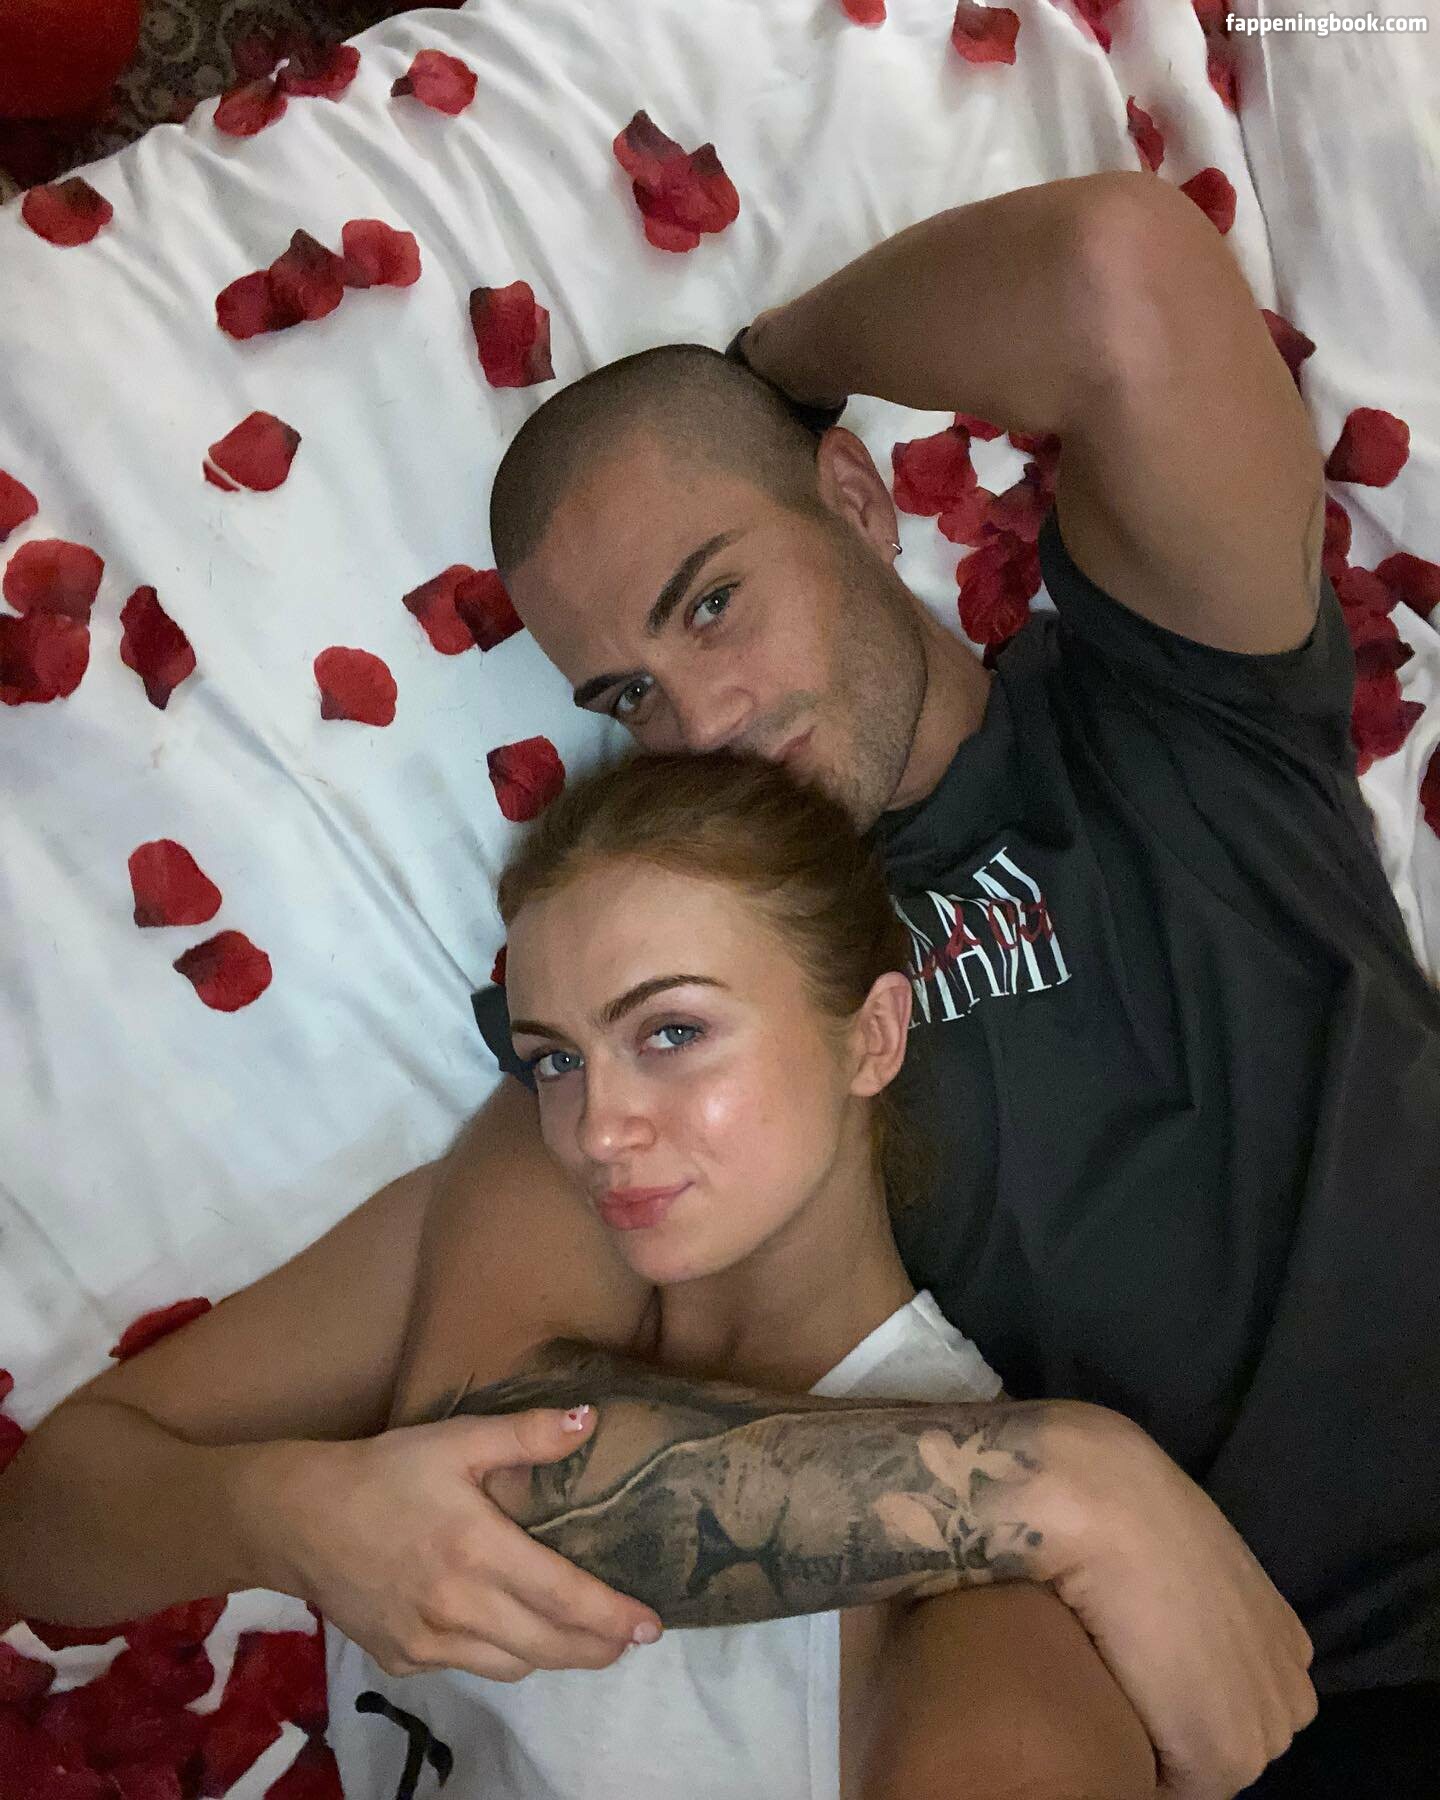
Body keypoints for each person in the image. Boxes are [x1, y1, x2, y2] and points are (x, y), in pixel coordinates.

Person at [1, 167, 1433, 1796]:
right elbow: (508, 1443)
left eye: (715, 601)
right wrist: (1056, 1486)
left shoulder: (1170, 706)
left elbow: (1115, 266)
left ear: (857, 500)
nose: (703, 720)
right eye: (629, 692)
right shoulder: (646, 993)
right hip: (1230, 1706)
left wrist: (779, 364)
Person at [326, 745, 1172, 1799]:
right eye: (556, 1059)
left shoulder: (980, 1631)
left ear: (872, 1037)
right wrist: (289, 1513)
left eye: (673, 1031)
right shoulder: (501, 1245)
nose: (596, 1129)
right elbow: (115, 1498)